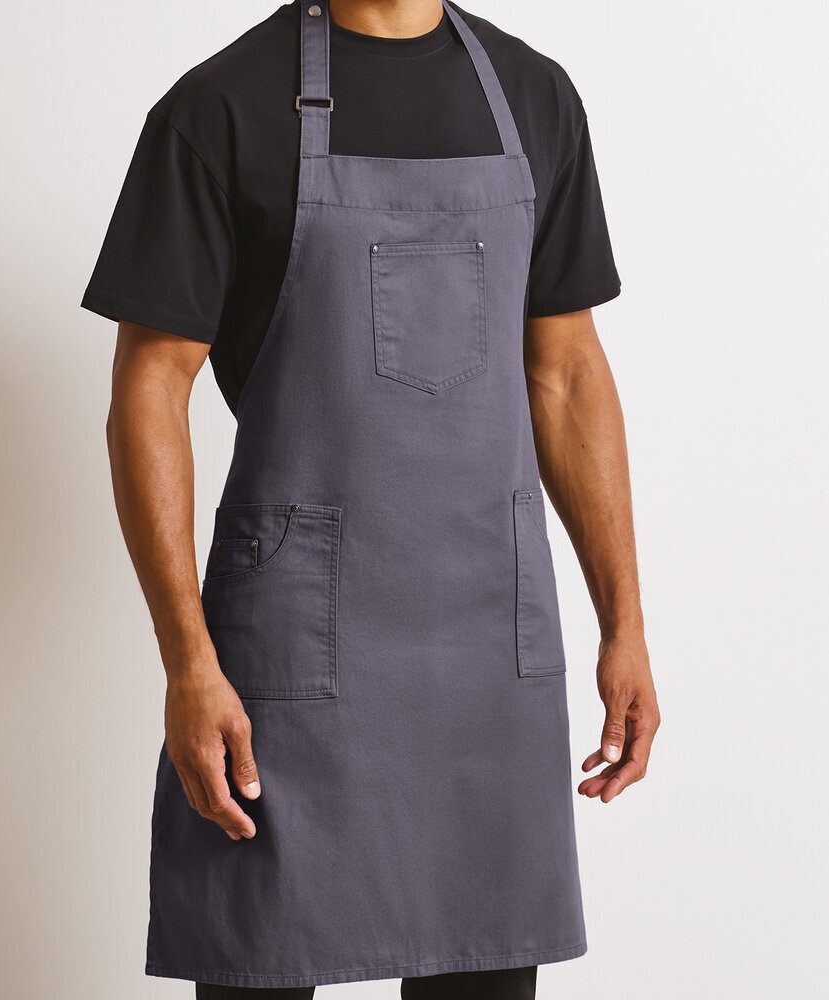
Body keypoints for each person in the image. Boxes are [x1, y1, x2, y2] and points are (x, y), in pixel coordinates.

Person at [80, 1, 660, 996]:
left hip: (487, 645)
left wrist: (625, 624)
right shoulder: (219, 108)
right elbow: (150, 387)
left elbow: (566, 372)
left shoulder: (533, 98)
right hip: (292, 641)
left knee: (482, 966)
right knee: (259, 956)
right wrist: (187, 661)